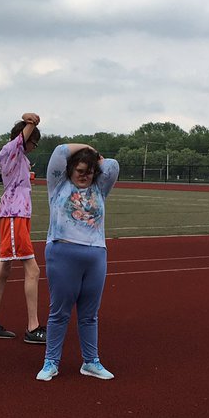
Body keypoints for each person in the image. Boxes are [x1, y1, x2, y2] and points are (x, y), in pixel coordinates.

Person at [36, 143, 120, 382]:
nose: (84, 176)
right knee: (59, 312)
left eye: (89, 171)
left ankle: (91, 361)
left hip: (95, 256)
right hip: (62, 253)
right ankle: (51, 362)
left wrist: (95, 160)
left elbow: (113, 166)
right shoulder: (58, 185)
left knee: (89, 315)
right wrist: (88, 148)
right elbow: (60, 151)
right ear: (70, 169)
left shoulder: (100, 188)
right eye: (80, 170)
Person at [0, 112, 46, 343]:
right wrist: (30, 121)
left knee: (4, 269)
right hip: (13, 215)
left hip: (19, 214)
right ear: (23, 137)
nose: (34, 147)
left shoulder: (22, 158)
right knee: (33, 270)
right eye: (33, 142)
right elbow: (25, 131)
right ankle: (33, 326)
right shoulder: (10, 151)